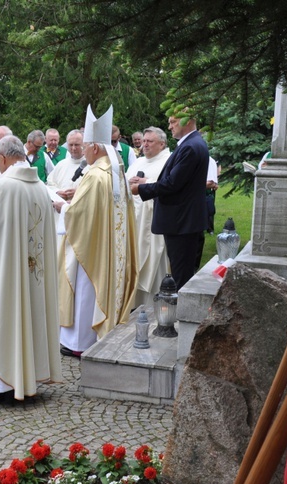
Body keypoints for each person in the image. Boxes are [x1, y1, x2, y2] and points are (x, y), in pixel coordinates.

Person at [0, 135, 62, 402]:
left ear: (3, 158)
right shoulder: (39, 185)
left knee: (1, 317)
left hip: (5, 274)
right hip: (33, 273)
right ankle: (26, 377)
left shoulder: (4, 186)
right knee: (26, 316)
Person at [54, 105, 138, 357]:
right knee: (93, 290)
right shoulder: (113, 171)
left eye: (86, 145)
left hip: (90, 247)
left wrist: (62, 207)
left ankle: (79, 343)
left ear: (94, 147)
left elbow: (79, 214)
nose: (84, 152)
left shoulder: (95, 175)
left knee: (84, 291)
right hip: (108, 245)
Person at [130, 114, 209, 290]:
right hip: (183, 219)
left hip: (182, 220)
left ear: (187, 121)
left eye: (173, 122)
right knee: (180, 271)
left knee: (181, 275)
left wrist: (140, 189)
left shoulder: (190, 147)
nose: (170, 127)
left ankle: (180, 314)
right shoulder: (191, 144)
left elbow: (172, 184)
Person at [126, 127, 171, 305]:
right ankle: (134, 304)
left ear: (162, 143)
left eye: (149, 141)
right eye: (143, 141)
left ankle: (157, 304)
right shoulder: (138, 163)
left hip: (155, 222)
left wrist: (146, 183)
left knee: (156, 262)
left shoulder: (168, 161)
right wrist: (129, 182)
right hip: (135, 220)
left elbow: (169, 186)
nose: (144, 145)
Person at [46, 129, 86, 204]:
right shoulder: (61, 164)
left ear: (84, 144)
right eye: (71, 145)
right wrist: (57, 192)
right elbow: (49, 184)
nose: (73, 148)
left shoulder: (90, 165)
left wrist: (79, 192)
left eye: (76, 145)